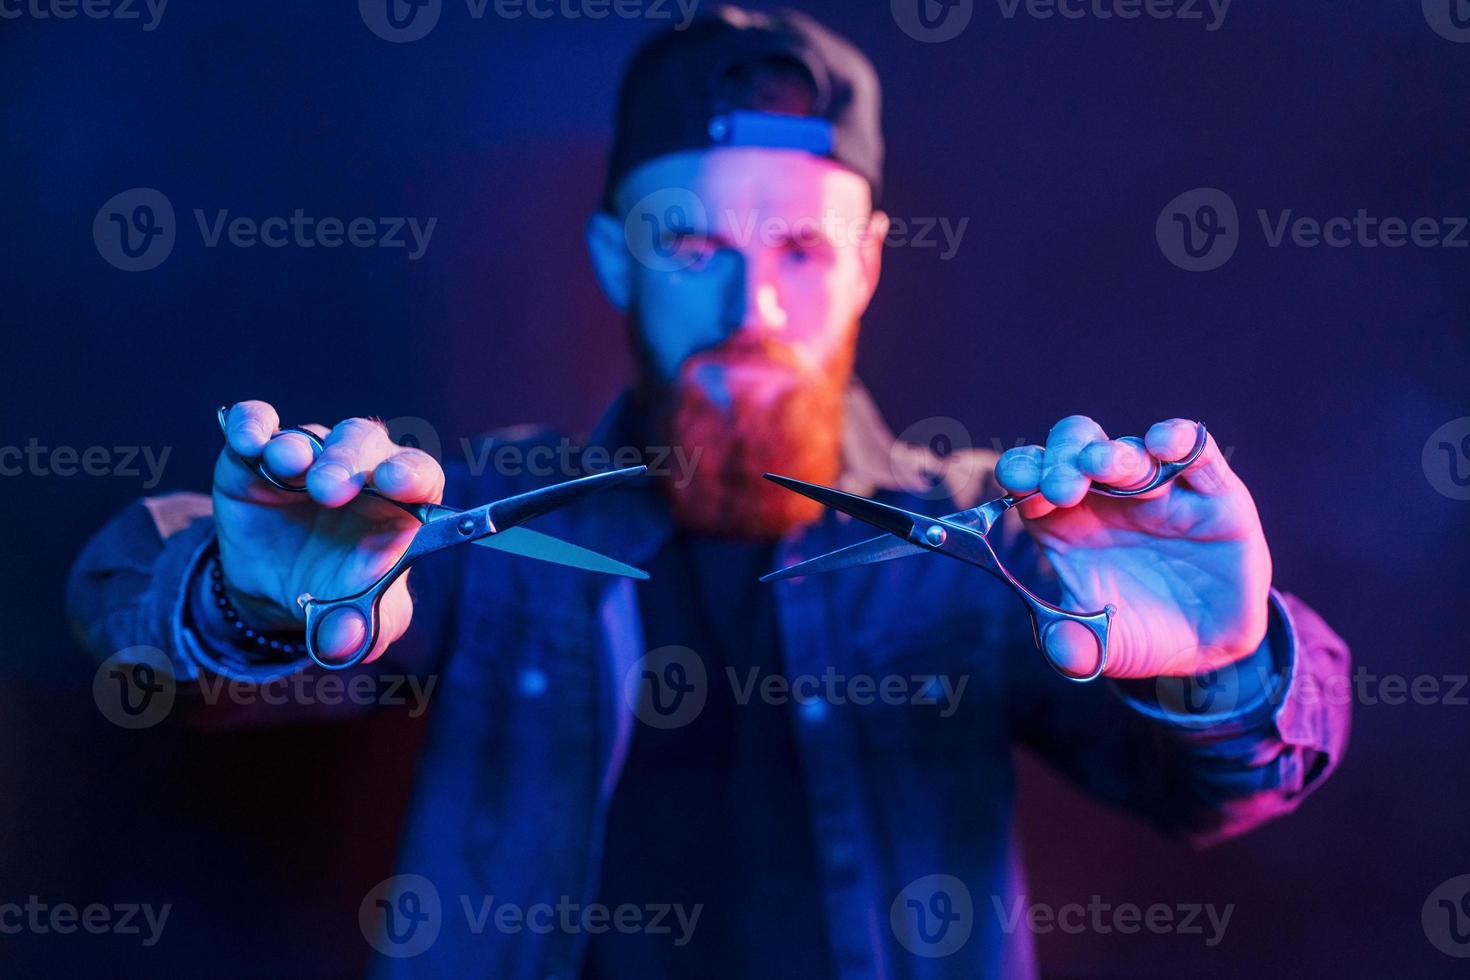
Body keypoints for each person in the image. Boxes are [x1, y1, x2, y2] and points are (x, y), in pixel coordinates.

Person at [67, 7, 1351, 978]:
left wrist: (1225, 665)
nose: (756, 307)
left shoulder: (996, 551)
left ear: (866, 267)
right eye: (696, 245)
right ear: (615, 263)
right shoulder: (482, 522)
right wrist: (239, 603)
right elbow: (138, 622)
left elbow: (1216, 796)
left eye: (801, 247)